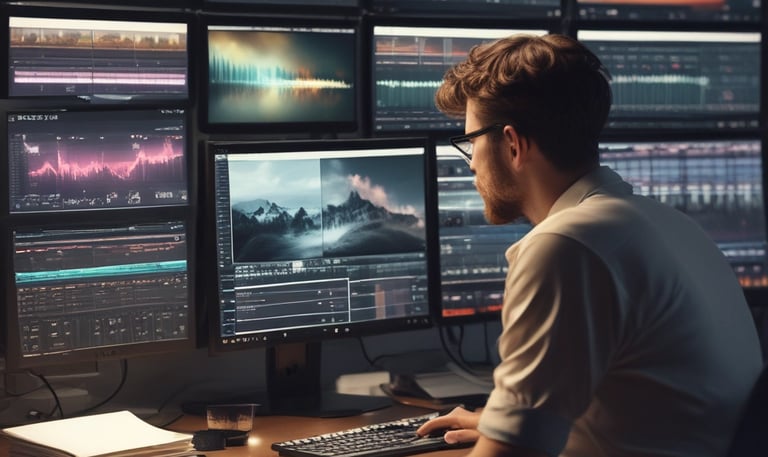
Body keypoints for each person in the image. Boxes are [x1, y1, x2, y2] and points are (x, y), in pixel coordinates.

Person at [416, 33, 764, 457]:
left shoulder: (564, 247)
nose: (470, 162)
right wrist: (503, 423)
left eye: (471, 142)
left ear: (512, 144)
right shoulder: (670, 224)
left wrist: (505, 437)